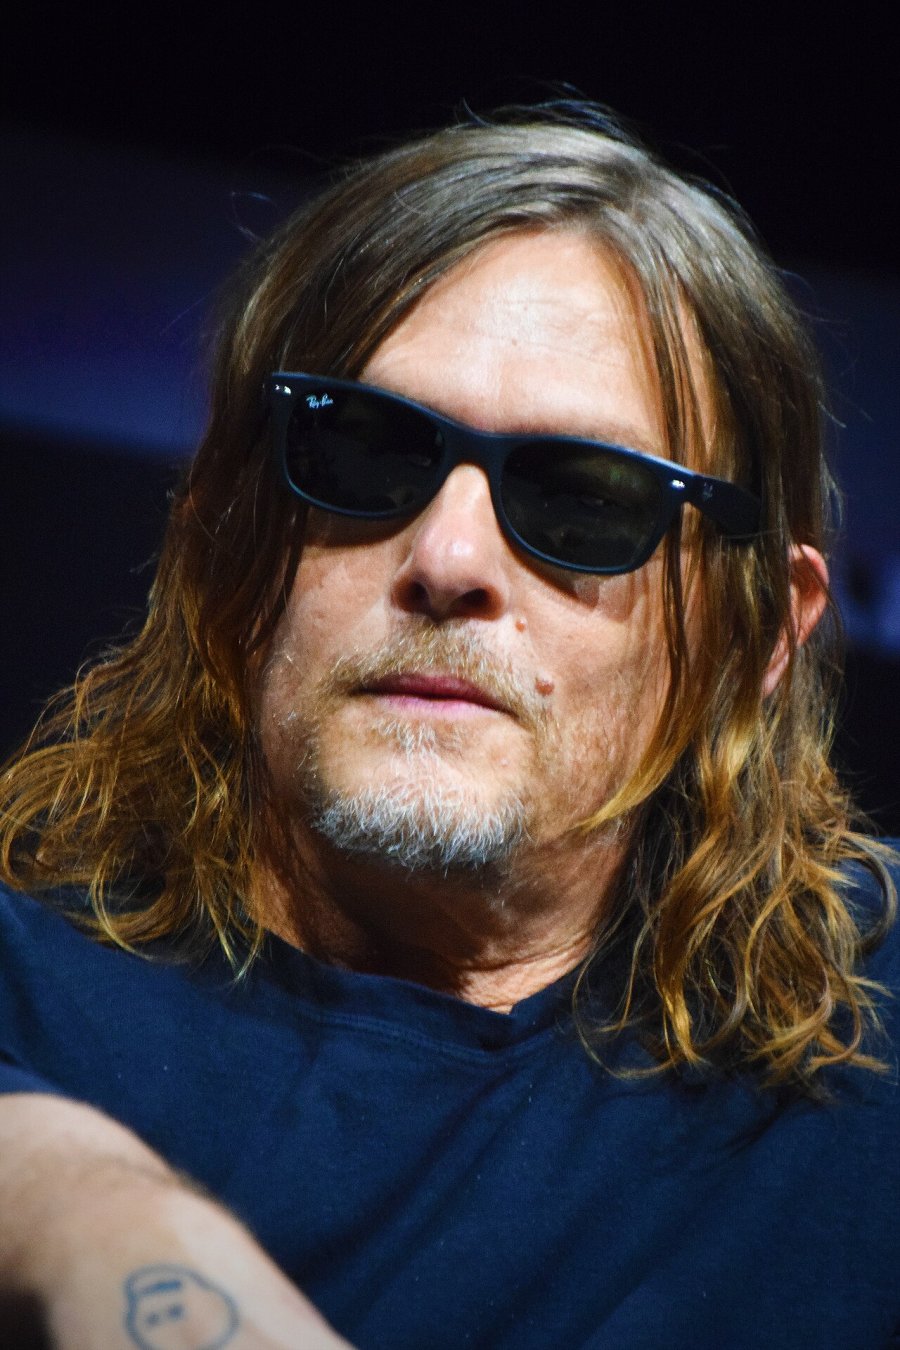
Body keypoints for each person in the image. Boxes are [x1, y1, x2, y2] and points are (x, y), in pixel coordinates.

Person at [0, 102, 897, 1349]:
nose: (449, 559)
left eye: (586, 500)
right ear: (217, 540)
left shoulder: (870, 1040)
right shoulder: (27, 997)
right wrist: (81, 1206)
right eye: (364, 452)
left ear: (754, 638)